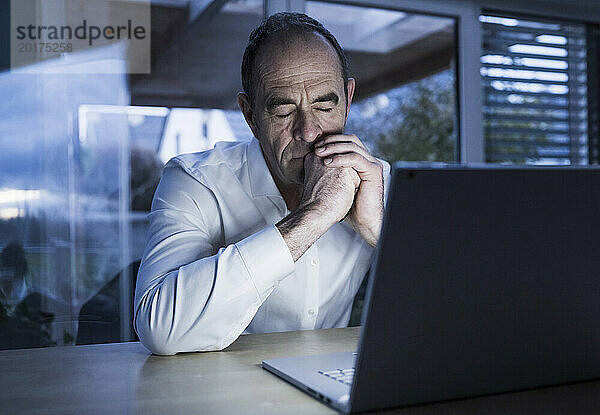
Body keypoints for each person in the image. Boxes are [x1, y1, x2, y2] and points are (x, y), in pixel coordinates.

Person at [134, 12, 390, 355]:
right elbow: (160, 329)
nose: (309, 131)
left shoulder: (375, 181)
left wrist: (380, 230)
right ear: (250, 115)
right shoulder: (195, 180)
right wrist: (314, 215)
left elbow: (452, 302)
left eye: (324, 106)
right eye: (283, 112)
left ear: (347, 99)